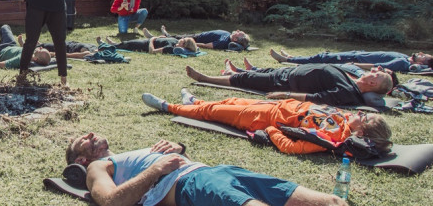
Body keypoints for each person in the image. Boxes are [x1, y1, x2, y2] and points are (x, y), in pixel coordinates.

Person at [66, 132, 347, 206]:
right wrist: (157, 170)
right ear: (81, 160)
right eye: (84, 139)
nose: (91, 135)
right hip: (192, 186)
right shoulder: (96, 169)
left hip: (217, 171)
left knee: (332, 201)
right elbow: (111, 201)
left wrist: (178, 149)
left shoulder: (124, 158)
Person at [141, 87, 393, 155]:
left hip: (267, 118)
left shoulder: (334, 139)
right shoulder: (346, 120)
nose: (359, 114)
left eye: (364, 117)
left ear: (363, 133)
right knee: (229, 102)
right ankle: (194, 100)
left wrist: (273, 131)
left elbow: (293, 147)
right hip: (275, 106)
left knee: (213, 113)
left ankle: (167, 106)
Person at [186, 62, 395, 106]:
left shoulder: (348, 93)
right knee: (261, 71)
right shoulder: (352, 82)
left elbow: (316, 98)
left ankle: (205, 78)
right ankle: (232, 72)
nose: (373, 70)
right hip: (288, 73)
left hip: (285, 82)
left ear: (373, 82)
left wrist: (284, 95)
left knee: (246, 80)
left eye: (376, 73)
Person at [270, 49, 433, 73]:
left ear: (422, 63)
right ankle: (292, 58)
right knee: (324, 56)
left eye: (423, 56)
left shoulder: (403, 63)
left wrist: (355, 65)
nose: (420, 53)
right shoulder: (405, 57)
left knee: (323, 57)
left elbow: (378, 66)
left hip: (354, 59)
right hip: (357, 54)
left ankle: (287, 59)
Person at [145, 25, 250, 51]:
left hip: (197, 39)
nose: (237, 30)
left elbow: (207, 46)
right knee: (177, 36)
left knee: (176, 39)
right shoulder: (228, 36)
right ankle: (164, 35)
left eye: (238, 33)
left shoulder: (223, 42)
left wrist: (192, 43)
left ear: (235, 39)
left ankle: (154, 38)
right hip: (199, 35)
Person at [99, 35, 199, 54]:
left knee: (127, 44)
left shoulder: (170, 49)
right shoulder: (175, 43)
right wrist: (160, 37)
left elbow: (152, 51)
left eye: (183, 40)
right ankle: (113, 44)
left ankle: (104, 45)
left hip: (146, 45)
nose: (181, 39)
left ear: (184, 45)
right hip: (150, 40)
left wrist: (152, 39)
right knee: (126, 43)